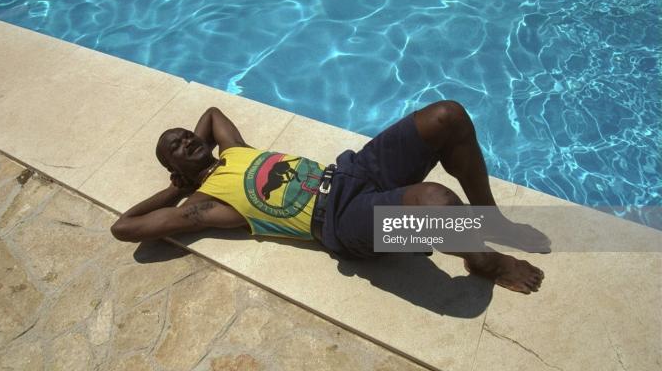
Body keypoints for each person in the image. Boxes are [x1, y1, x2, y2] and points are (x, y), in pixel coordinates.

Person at [111, 102, 549, 294]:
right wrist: (180, 187)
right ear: (173, 167)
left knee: (446, 116)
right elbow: (124, 228)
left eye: (185, 136)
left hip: (350, 173)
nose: (187, 139)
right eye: (176, 146)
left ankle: (491, 219)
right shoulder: (205, 204)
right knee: (438, 203)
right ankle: (485, 262)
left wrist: (191, 157)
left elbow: (210, 114)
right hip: (341, 221)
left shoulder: (235, 150)